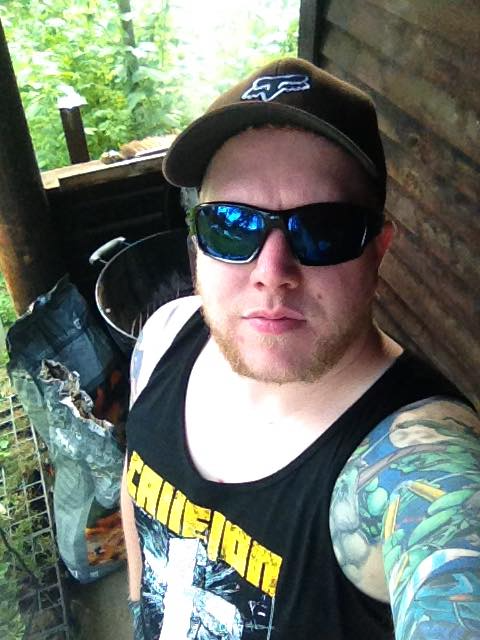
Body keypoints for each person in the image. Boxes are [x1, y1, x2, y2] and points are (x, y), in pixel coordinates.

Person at [121, 57, 480, 639]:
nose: (272, 272)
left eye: (323, 230)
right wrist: (138, 604)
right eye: (231, 224)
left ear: (378, 251)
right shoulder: (164, 338)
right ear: (197, 242)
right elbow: (135, 487)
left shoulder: (413, 465)